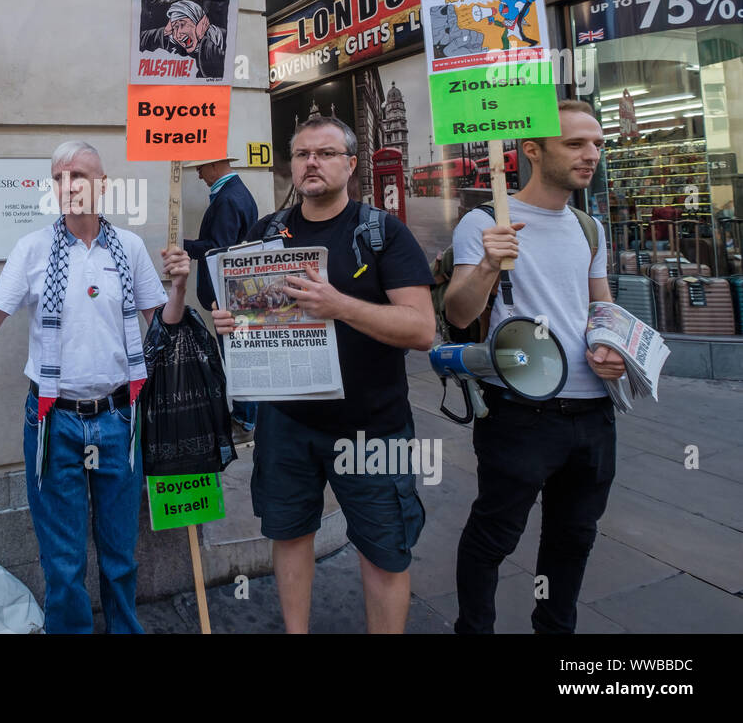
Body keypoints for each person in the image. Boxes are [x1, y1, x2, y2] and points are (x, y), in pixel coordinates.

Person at [0, 141, 189, 633]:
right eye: (58, 177)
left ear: (103, 185)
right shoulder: (32, 250)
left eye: (79, 174)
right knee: (63, 562)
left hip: (121, 419)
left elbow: (163, 327)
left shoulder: (132, 248)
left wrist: (179, 288)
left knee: (120, 554)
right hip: (54, 422)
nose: (68, 184)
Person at [211, 115, 436, 633]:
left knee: (385, 550)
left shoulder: (382, 233)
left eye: (326, 153)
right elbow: (252, 317)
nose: (311, 163)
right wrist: (233, 321)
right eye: (302, 154)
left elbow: (422, 330)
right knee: (289, 535)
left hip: (371, 426)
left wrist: (339, 304)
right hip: (286, 423)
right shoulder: (266, 231)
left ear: (351, 164)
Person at [445, 100, 625, 634]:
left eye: (596, 144)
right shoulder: (484, 222)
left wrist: (614, 348)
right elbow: (458, 312)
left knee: (574, 540)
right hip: (519, 411)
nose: (590, 154)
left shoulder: (590, 228)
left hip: (593, 413)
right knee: (493, 537)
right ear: (532, 150)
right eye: (575, 144)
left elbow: (602, 309)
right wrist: (485, 264)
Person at [181, 155, 259, 441]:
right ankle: (247, 416)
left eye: (200, 168)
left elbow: (218, 249)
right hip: (236, 291)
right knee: (241, 356)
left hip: (229, 295)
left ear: (215, 165)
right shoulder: (236, 192)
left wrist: (181, 245)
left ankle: (244, 421)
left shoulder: (227, 199)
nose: (200, 175)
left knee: (238, 358)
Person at [139, 0, 227, 78]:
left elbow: (220, 73)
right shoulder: (177, 46)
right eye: (174, 28)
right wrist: (165, 32)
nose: (178, 34)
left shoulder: (224, 38)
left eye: (182, 24)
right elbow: (139, 40)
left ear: (198, 21)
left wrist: (202, 39)